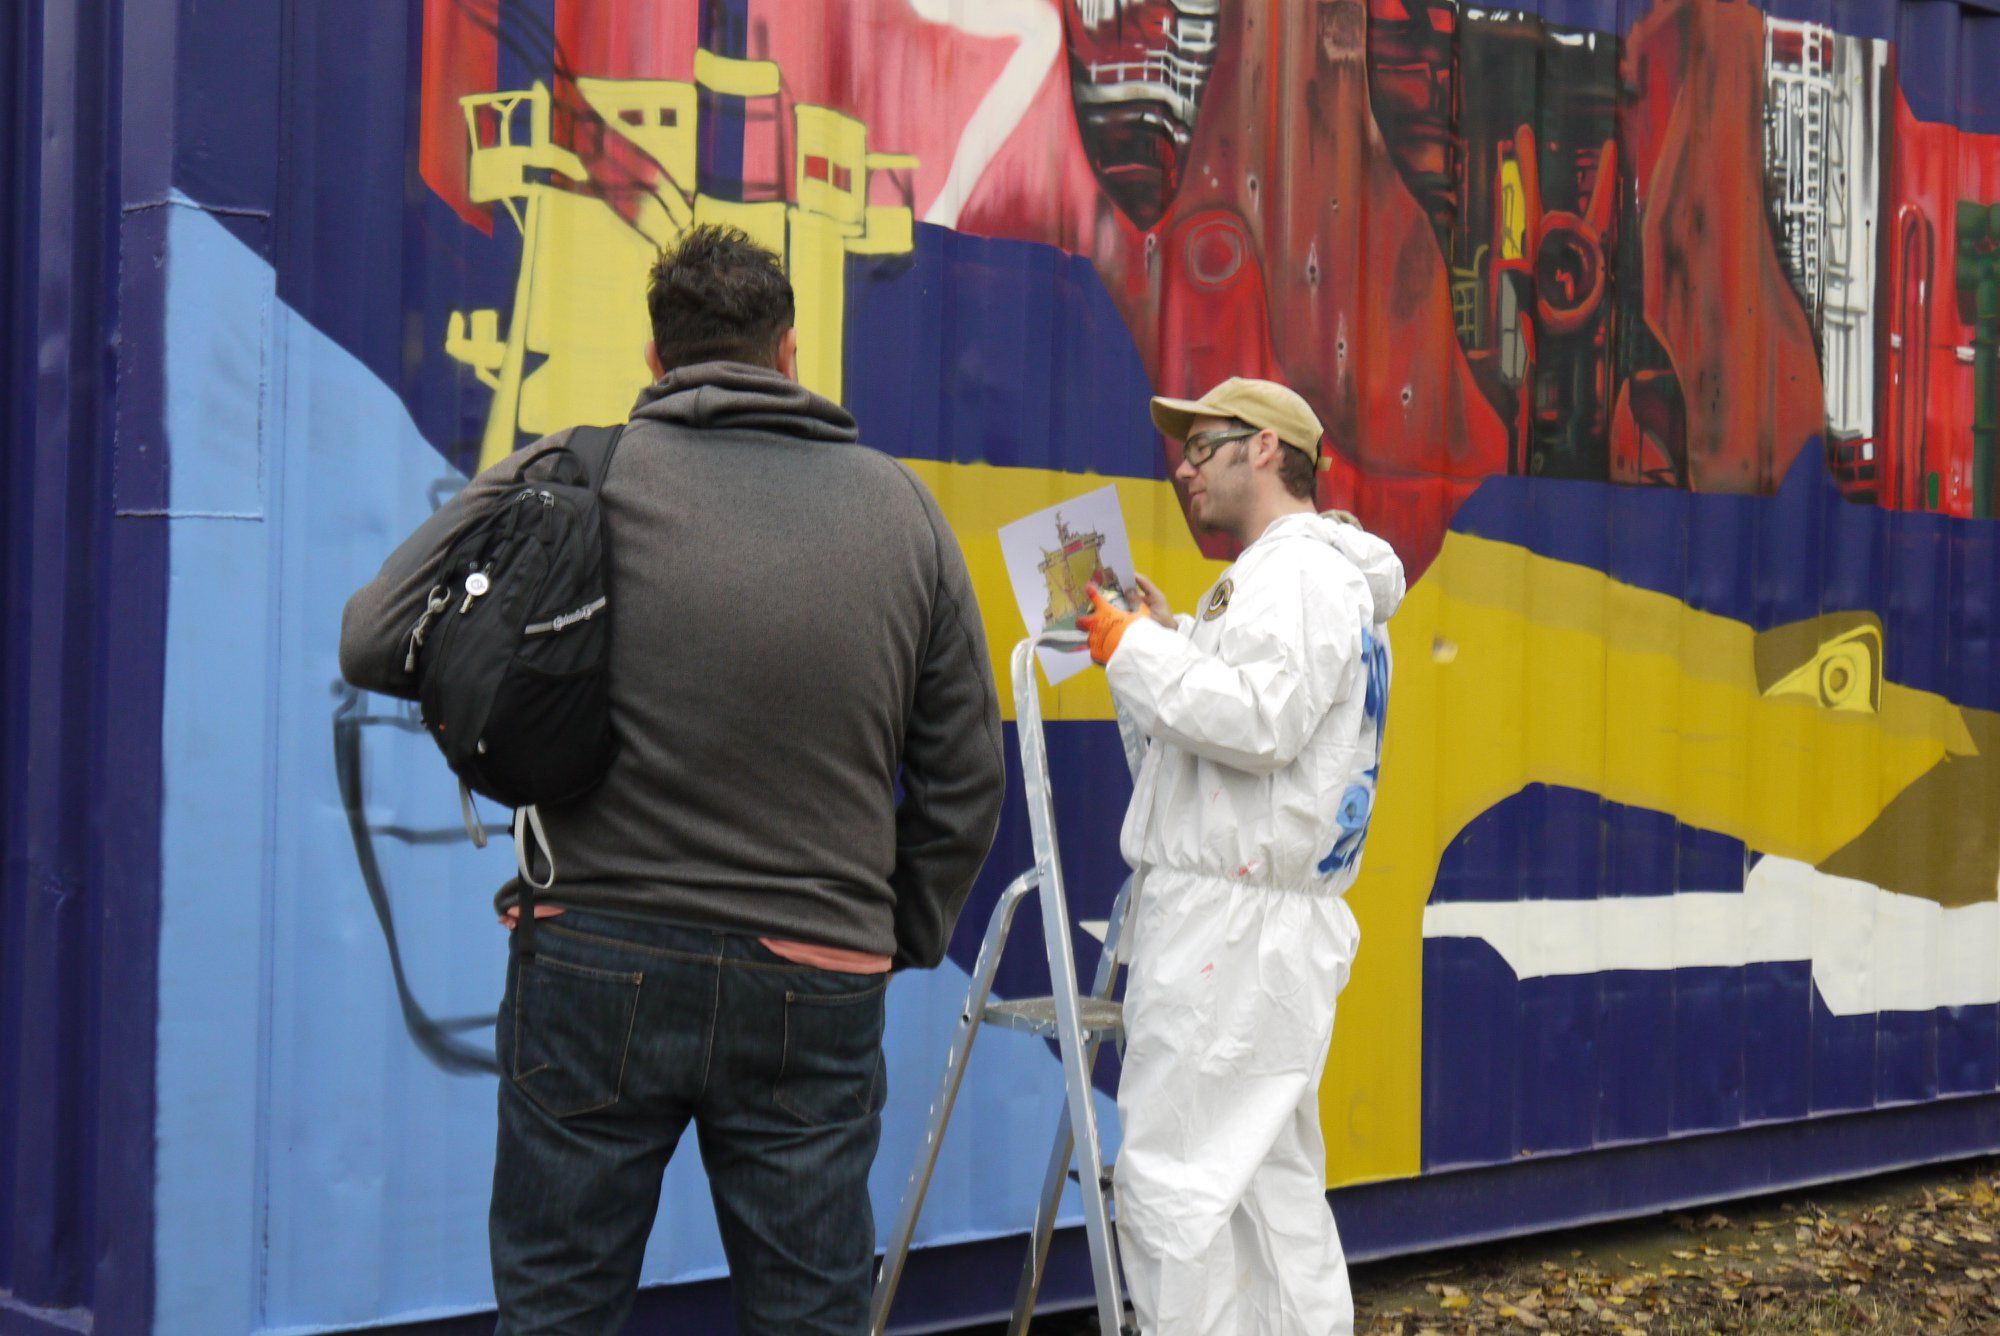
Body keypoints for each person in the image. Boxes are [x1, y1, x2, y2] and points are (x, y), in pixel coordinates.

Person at [338, 225, 1006, 1336]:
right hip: (815, 972)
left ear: (656, 359)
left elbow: (372, 635)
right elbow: (965, 779)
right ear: (788, 353)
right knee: (811, 1316)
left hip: (592, 955)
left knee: (557, 1309)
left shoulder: (571, 471)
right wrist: (892, 933)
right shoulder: (904, 514)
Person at [1076, 377, 1405, 1336]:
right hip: (1263, 922)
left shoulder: (1296, 573)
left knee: (1176, 1192)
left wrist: (1135, 649)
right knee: (1268, 1199)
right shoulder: (1306, 574)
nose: (1183, 469)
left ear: (1264, 447)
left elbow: (1262, 718)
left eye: (1201, 446)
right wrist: (1173, 636)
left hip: (1231, 928)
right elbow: (1273, 703)